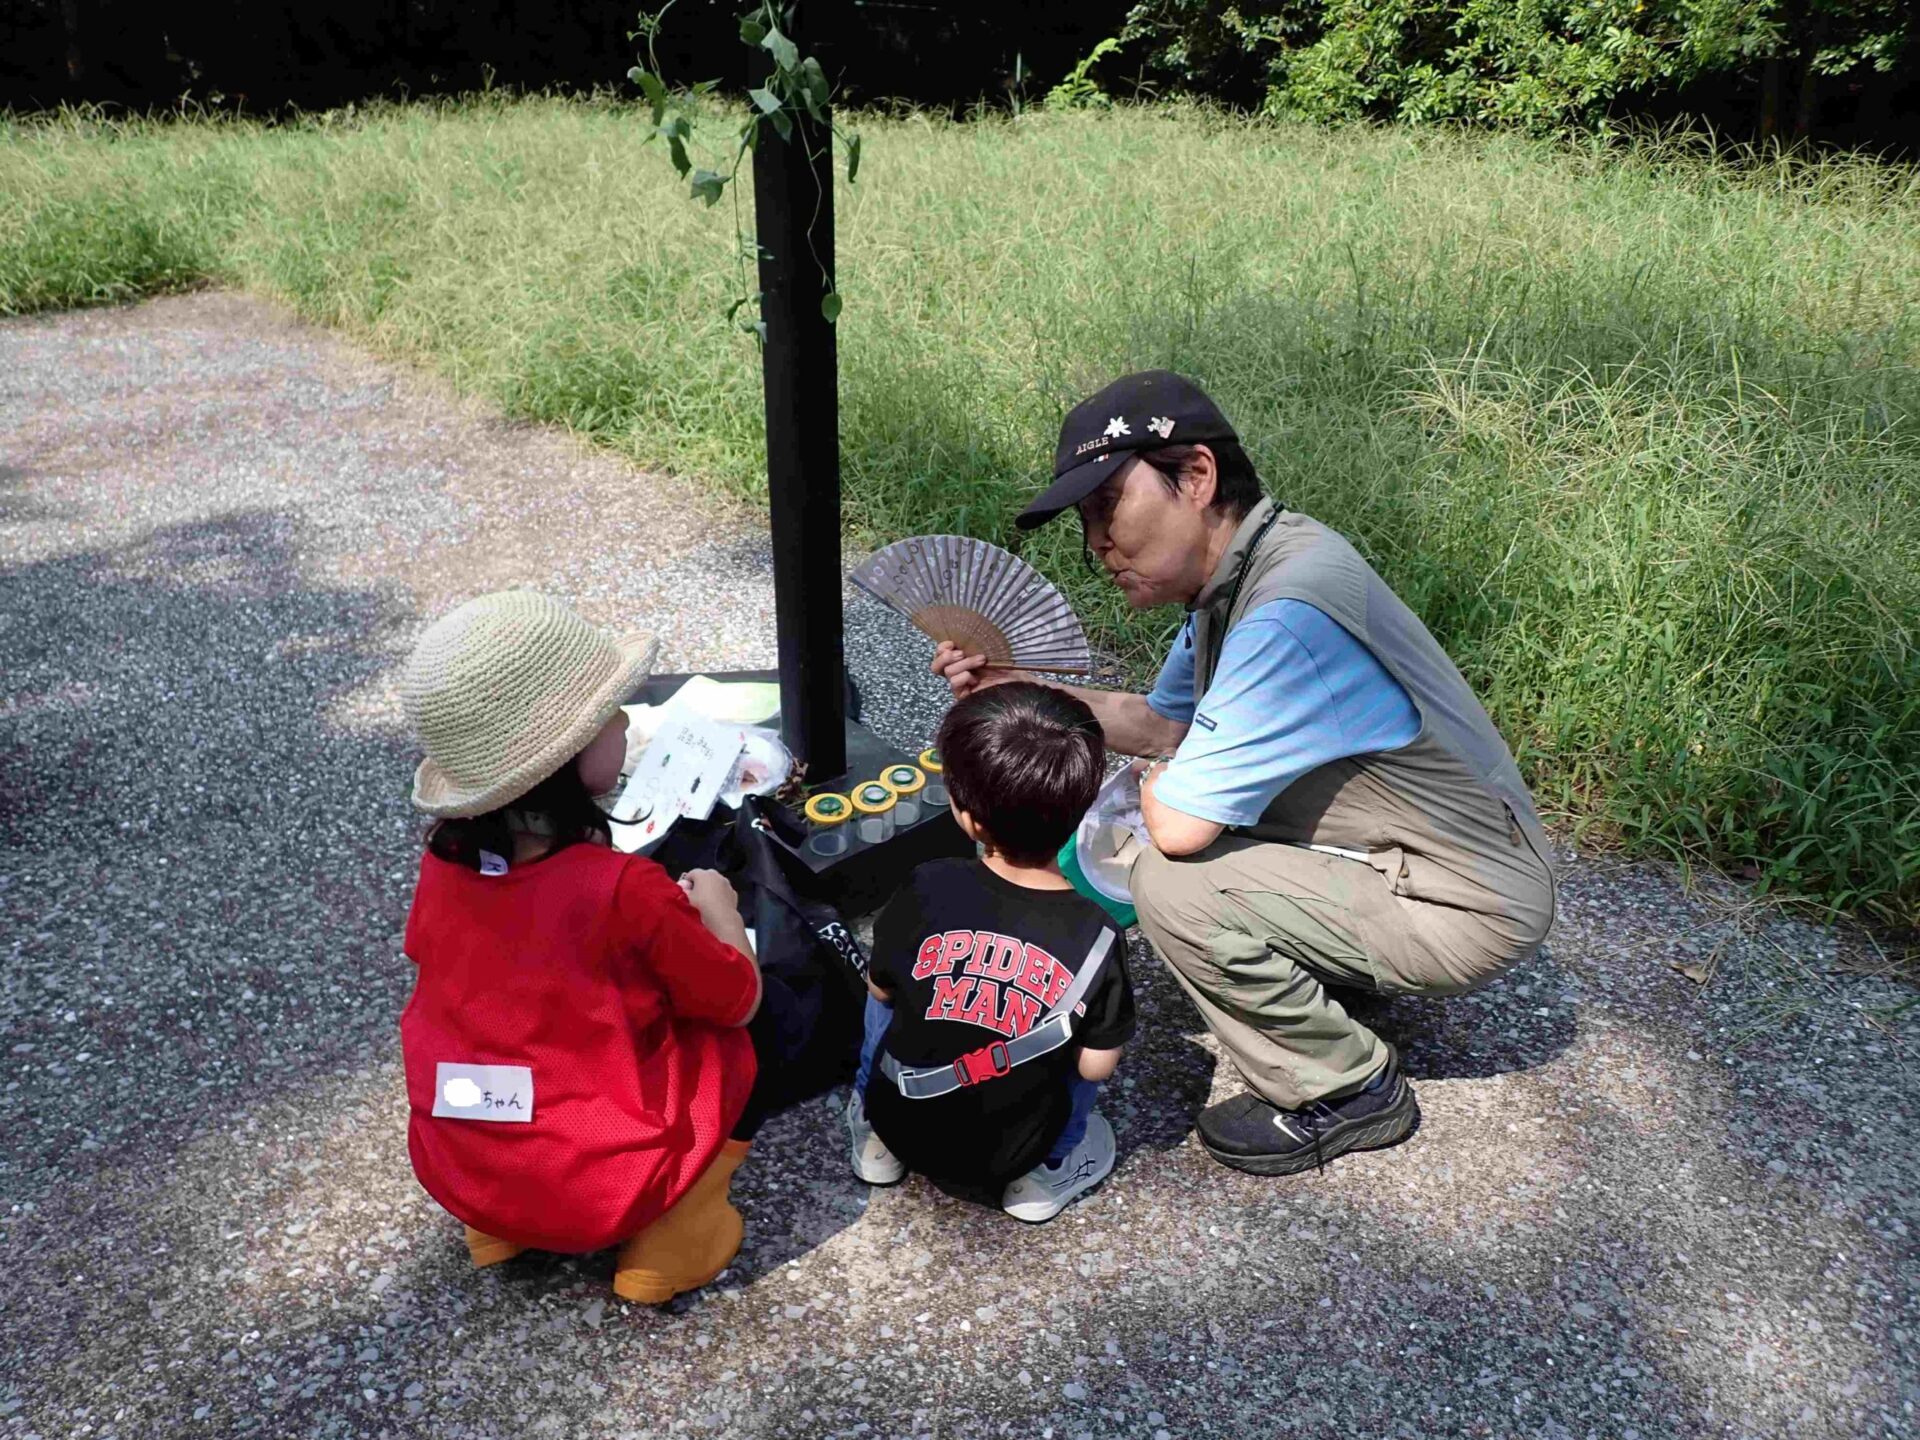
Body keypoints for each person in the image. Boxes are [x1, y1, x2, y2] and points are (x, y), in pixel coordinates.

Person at [934, 371, 1557, 1178]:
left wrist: (1157, 783)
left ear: (1196, 477)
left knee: (1165, 878)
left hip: (1464, 903)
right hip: (1437, 863)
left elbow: (1176, 822)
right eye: (1085, 523)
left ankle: (1346, 1089)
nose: (1096, 544)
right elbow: (1163, 726)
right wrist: (1021, 688)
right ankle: (1328, 964)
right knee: (1192, 813)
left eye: (1106, 508)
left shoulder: (1285, 612)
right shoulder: (1248, 568)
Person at [396, 590, 856, 1302]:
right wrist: (721, 912)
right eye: (611, 715)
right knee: (738, 1038)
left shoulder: (443, 861)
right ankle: (670, 1243)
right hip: (598, 1188)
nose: (622, 722)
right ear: (567, 760)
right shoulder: (621, 887)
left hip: (459, 1163)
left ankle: (500, 1228)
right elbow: (733, 998)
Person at [845, 683, 1135, 1221]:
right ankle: (1044, 1179)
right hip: (1012, 1151)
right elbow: (1096, 1068)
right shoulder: (1097, 936)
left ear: (971, 820)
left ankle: (873, 1138)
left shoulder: (926, 885)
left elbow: (881, 987)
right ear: (1081, 812)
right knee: (1082, 1039)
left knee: (881, 999)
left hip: (903, 1117)